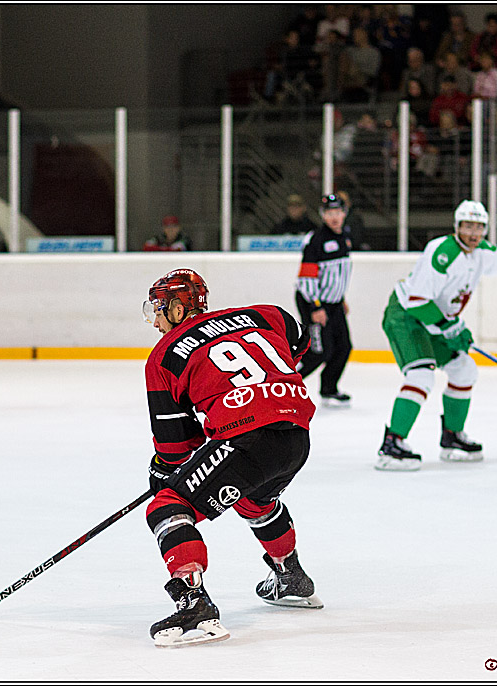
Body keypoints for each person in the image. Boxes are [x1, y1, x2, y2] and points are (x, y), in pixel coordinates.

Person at [141, 268, 322, 648]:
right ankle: (290, 576)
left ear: (177, 309)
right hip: (296, 434)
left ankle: (194, 602)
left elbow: (176, 446)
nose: (155, 322)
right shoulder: (266, 315)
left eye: (157, 311)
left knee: (167, 506)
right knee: (254, 498)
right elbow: (301, 341)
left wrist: (163, 476)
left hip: (249, 438)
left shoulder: (165, 356)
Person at [375, 200, 497, 471]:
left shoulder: (482, 252)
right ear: (456, 227)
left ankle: (452, 436)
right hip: (406, 317)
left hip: (437, 320)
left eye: (478, 227)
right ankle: (392, 444)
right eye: (467, 226)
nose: (473, 233)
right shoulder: (441, 252)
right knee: (421, 376)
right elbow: (418, 302)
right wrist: (451, 327)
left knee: (464, 369)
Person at [295, 193, 353, 408]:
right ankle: (284, 386)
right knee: (318, 353)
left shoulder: (344, 237)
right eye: (329, 213)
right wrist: (315, 307)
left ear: (344, 213)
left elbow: (337, 273)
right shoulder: (316, 240)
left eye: (338, 212)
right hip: (314, 303)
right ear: (322, 215)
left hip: (334, 303)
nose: (334, 217)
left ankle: (329, 388)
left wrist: (340, 297)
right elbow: (306, 279)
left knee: (343, 347)